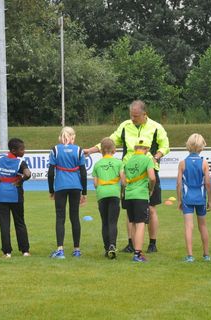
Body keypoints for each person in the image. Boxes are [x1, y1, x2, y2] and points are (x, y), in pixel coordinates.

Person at [84, 100, 169, 253]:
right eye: (131, 115)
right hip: (128, 171)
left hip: (149, 170)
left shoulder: (156, 127)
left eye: (136, 116)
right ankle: (131, 243)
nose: (133, 118)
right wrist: (90, 150)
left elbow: (165, 146)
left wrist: (155, 157)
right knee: (129, 209)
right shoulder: (125, 126)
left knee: (151, 207)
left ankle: (152, 244)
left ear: (144, 114)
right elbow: (109, 142)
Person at [48, 127, 87, 259]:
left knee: (60, 217)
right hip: (76, 186)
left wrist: (51, 190)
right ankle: (77, 250)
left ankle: (60, 250)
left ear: (60, 137)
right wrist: (85, 192)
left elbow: (51, 172)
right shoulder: (79, 150)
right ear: (73, 137)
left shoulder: (55, 150)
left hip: (60, 186)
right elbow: (83, 173)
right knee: (74, 217)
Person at [0, 138, 31, 258]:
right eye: (22, 149)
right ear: (14, 150)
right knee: (20, 223)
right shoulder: (20, 163)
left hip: (1, 196)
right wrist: (20, 181)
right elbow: (28, 174)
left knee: (4, 224)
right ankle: (25, 251)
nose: (24, 151)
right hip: (16, 195)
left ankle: (7, 252)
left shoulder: (0, 160)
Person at [176, 134, 211, 262]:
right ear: (201, 147)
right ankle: (206, 254)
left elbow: (179, 183)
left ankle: (190, 256)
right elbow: (208, 183)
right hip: (200, 198)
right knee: (202, 226)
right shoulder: (204, 163)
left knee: (188, 226)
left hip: (187, 198)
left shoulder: (182, 163)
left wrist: (179, 200)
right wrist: (210, 200)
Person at [122, 139, 156, 262]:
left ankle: (135, 249)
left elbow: (124, 179)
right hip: (141, 195)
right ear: (146, 149)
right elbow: (152, 177)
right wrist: (151, 189)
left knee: (134, 223)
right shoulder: (147, 160)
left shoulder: (128, 160)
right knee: (141, 223)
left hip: (129, 194)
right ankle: (138, 254)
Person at [92, 138, 124, 259]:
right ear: (114, 150)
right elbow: (123, 180)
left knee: (104, 222)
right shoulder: (119, 163)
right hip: (114, 193)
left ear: (101, 151)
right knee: (112, 222)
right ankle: (112, 245)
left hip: (102, 194)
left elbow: (95, 184)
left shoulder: (97, 164)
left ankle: (106, 249)